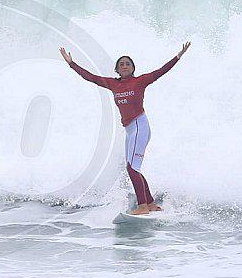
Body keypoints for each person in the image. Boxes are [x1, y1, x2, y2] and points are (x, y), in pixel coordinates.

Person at [60, 41, 191, 215]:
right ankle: (150, 203)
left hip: (140, 126)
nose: (124, 66)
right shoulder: (113, 84)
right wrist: (71, 63)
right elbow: (91, 77)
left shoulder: (140, 81)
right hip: (130, 130)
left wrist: (177, 57)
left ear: (133, 68)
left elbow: (161, 71)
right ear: (117, 69)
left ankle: (142, 206)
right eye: (121, 64)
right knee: (133, 167)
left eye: (128, 64)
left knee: (132, 168)